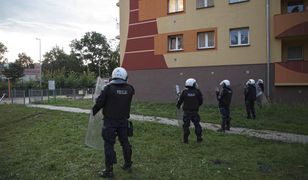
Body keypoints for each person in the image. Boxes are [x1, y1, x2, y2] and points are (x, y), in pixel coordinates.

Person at [92, 67, 134, 178]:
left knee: (109, 145)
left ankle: (109, 171)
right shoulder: (130, 89)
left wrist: (93, 111)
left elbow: (99, 103)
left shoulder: (108, 88)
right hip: (123, 121)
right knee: (125, 143)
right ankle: (128, 164)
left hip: (110, 122)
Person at [176, 78, 203, 144]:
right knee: (197, 125)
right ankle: (199, 139)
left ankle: (185, 140)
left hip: (186, 112)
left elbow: (180, 101)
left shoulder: (184, 92)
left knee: (186, 126)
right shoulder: (197, 91)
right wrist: (197, 105)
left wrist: (178, 106)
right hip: (195, 112)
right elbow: (201, 101)